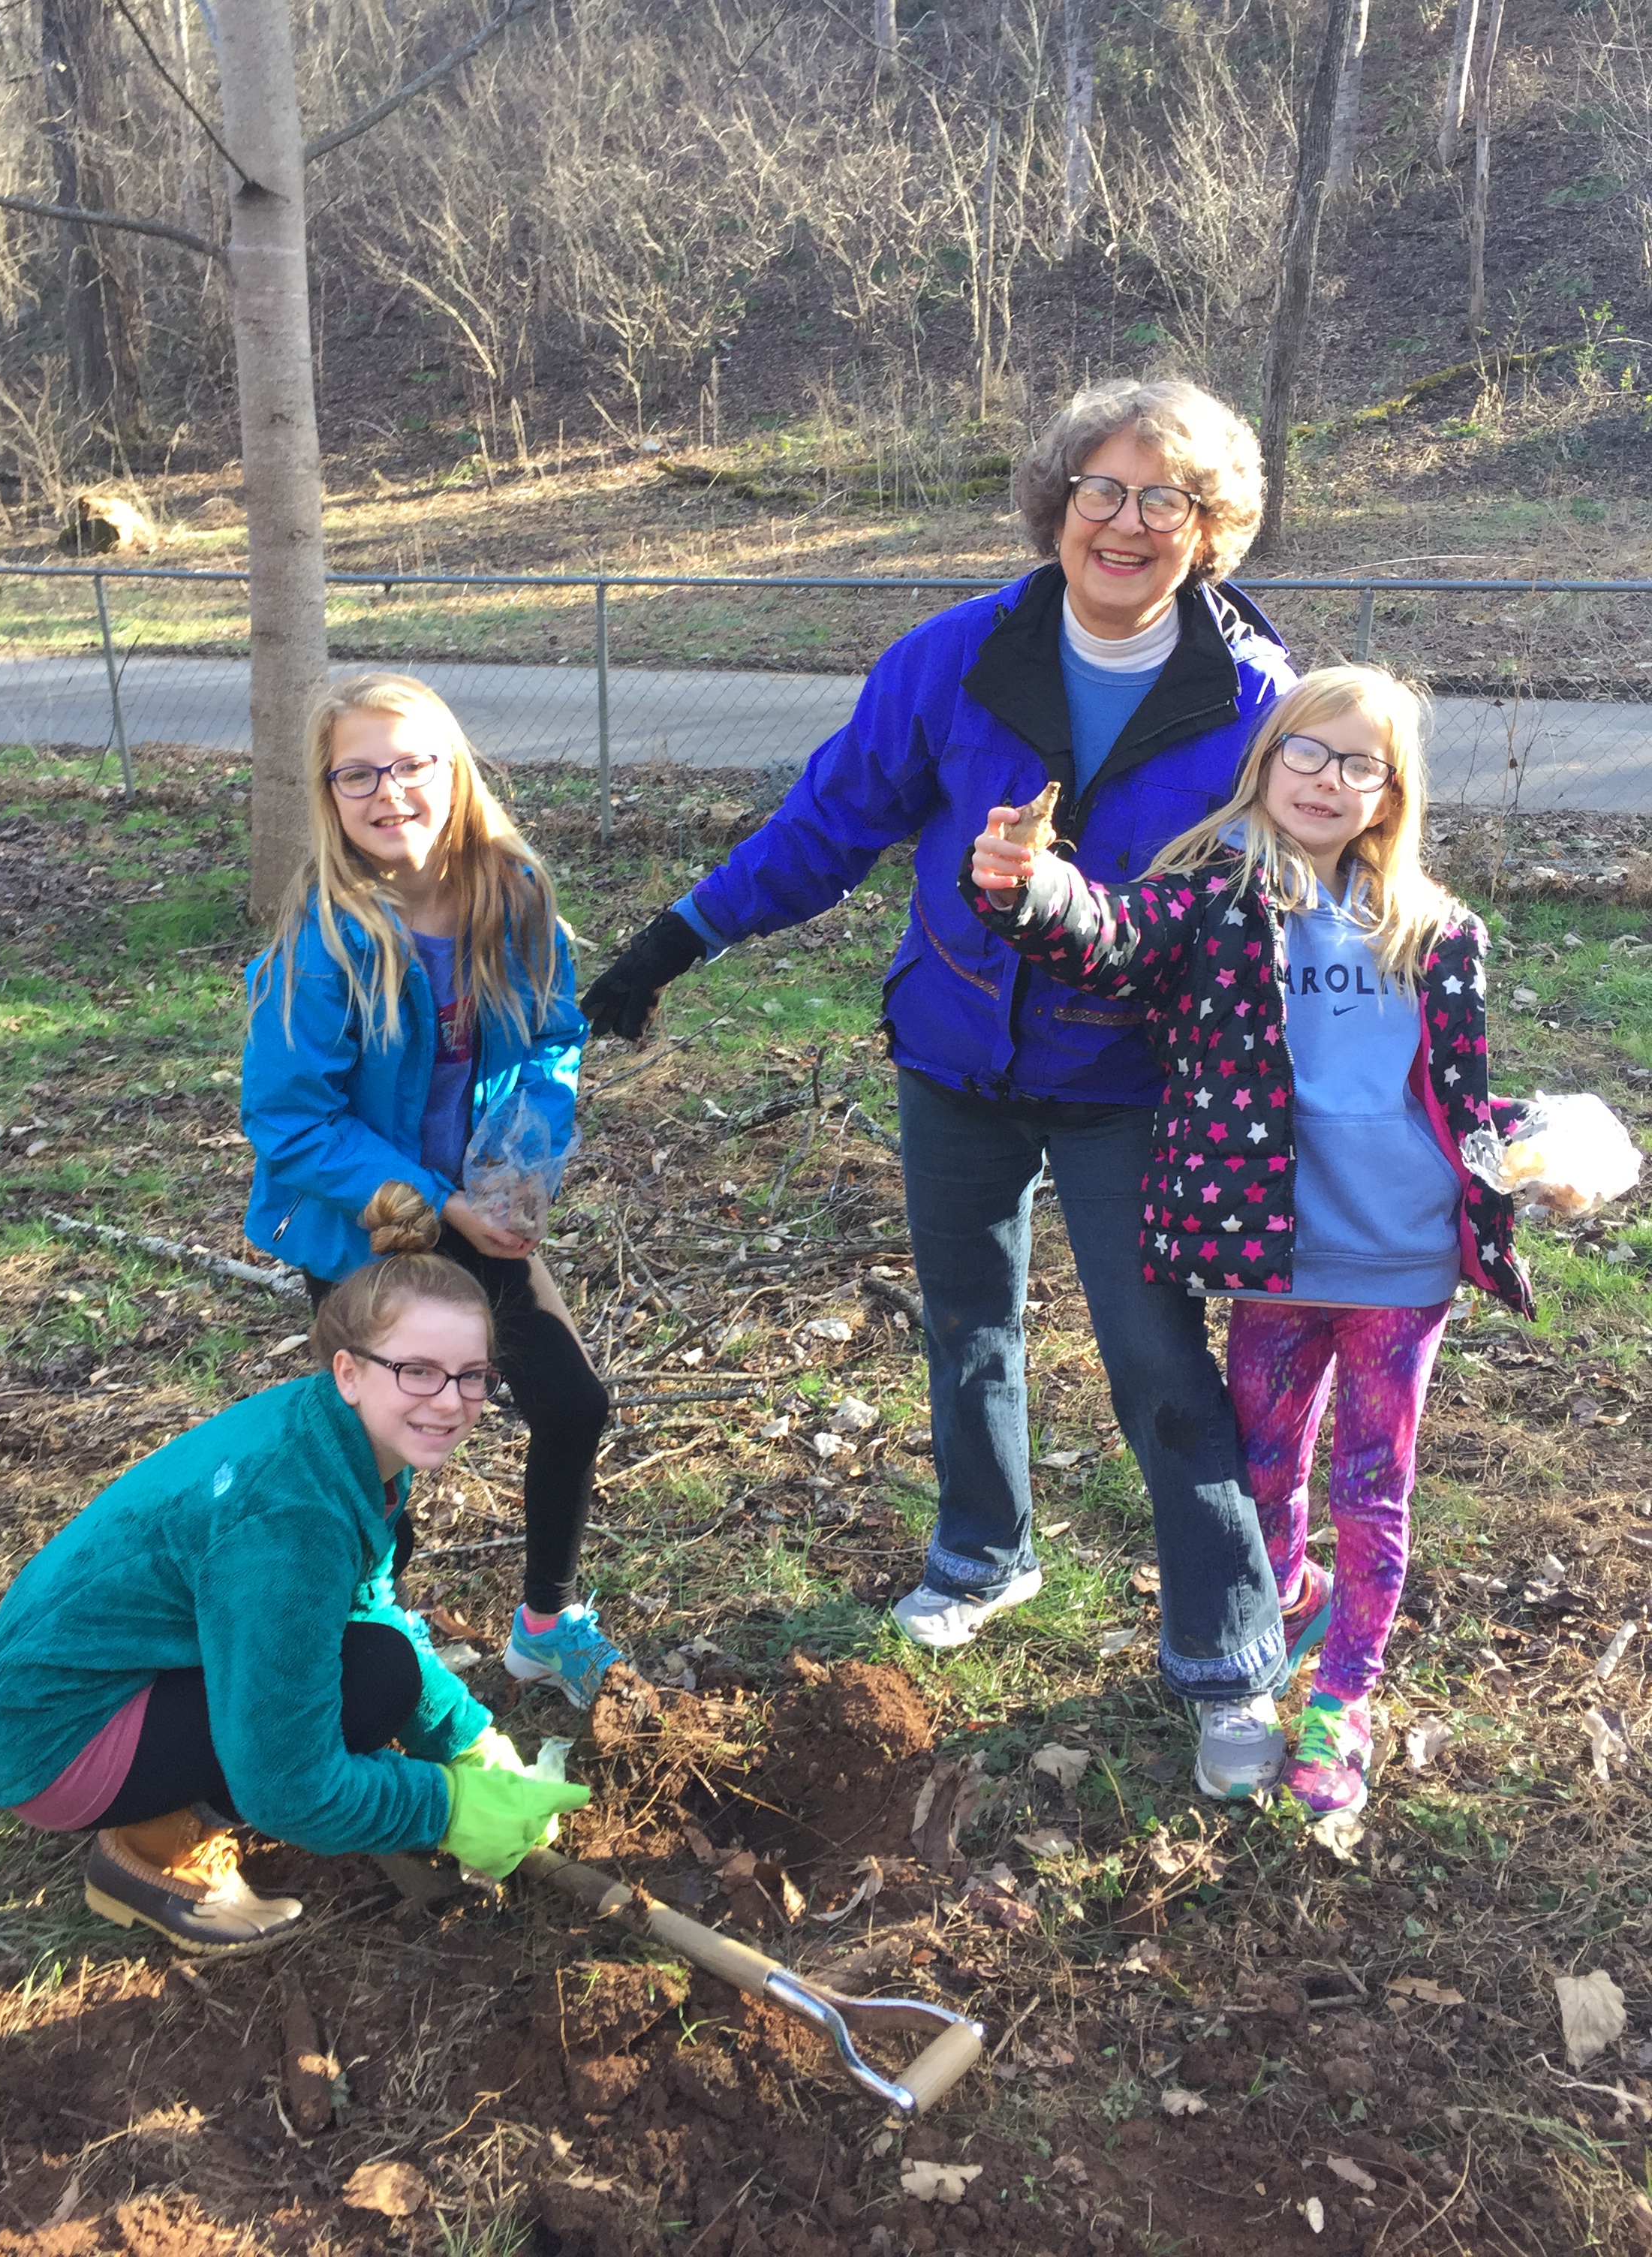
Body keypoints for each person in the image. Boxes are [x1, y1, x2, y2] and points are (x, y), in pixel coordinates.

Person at [583, 376, 1303, 1798]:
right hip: (956, 1056)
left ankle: (1227, 1655)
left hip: (1128, 1079)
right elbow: (830, 820)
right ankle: (983, 1550)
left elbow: (1298, 892)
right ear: (1056, 503)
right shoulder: (952, 658)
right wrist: (678, 938)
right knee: (967, 1325)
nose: (1126, 520)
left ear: (1209, 528)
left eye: (1166, 498)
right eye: (1099, 488)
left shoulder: (1254, 701)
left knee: (1160, 1364)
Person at [964, 665, 1530, 1813]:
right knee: (1263, 1477)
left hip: (1403, 1271)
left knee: (1376, 1491)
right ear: (1268, 764)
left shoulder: (1438, 932)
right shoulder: (1216, 902)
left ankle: (1343, 1703)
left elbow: (1454, 1100)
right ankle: (1274, 1630)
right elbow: (1106, 935)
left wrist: (1530, 1153)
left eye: (1359, 763)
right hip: (1272, 1261)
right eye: (1307, 753)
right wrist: (1028, 884)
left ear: (1391, 792)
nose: (1328, 780)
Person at [0, 1238, 591, 1949]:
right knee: (373, 1680)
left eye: (472, 1376)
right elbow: (288, 1789)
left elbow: (360, 1599)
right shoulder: (290, 1518)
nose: (450, 1403)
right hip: (51, 1743)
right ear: (349, 1372)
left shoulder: (345, 1431)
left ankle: (166, 1793)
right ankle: (154, 1847)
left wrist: (465, 1738)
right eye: (418, 1371)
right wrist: (446, 1807)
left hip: (96, 1673)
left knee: (375, 1659)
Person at [241, 671, 620, 1711]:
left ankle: (544, 1625)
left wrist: (520, 1167)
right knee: (383, 1452)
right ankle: (380, 1638)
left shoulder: (514, 889)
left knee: (573, 1404)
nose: (388, 791)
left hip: (476, 1212)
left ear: (453, 770)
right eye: (356, 773)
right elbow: (290, 1121)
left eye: (410, 764)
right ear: (329, 795)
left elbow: (551, 1040)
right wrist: (437, 1202)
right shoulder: (322, 939)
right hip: (369, 1227)